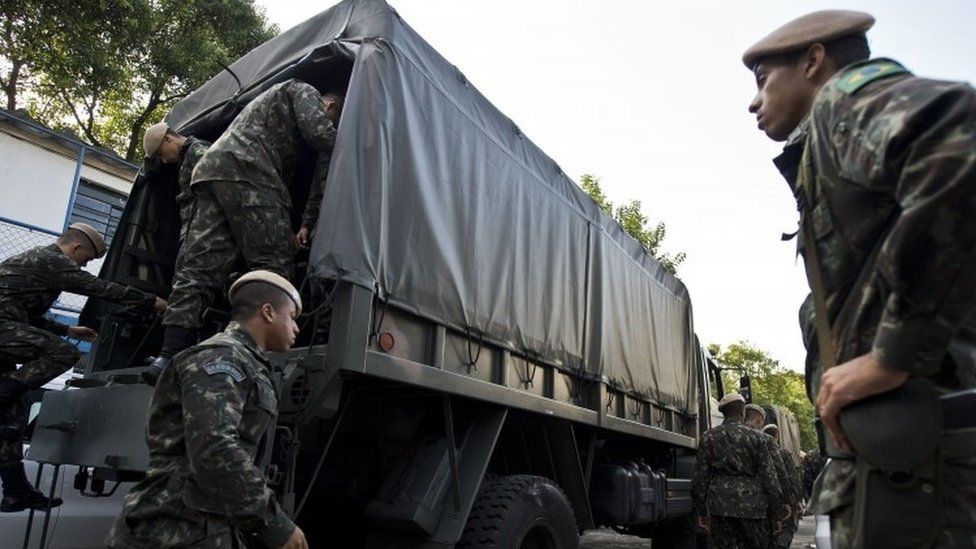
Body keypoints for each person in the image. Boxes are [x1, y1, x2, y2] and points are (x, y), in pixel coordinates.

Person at [743, 9, 976, 547]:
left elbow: (957, 142)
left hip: (921, 464)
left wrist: (892, 356)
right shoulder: (826, 146)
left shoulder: (843, 98)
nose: (753, 102)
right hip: (899, 459)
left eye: (762, 81)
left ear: (814, 60)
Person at [145, 81, 343, 385]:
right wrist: (350, 142)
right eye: (332, 117)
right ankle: (262, 358)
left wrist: (300, 223)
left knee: (199, 270)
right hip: (249, 167)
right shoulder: (303, 91)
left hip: (212, 172)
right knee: (274, 268)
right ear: (328, 107)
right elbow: (322, 136)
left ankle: (168, 354)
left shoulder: (267, 114)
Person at [106, 270, 307, 549]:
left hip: (199, 527)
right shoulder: (221, 357)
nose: (296, 328)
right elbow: (214, 447)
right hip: (170, 529)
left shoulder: (244, 361)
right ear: (268, 312)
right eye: (292, 318)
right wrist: (274, 523)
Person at [0, 223, 166, 512]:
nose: (85, 265)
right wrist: (151, 301)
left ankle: (15, 491)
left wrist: (68, 328)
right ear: (76, 248)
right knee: (62, 354)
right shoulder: (50, 259)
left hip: (6, 332)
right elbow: (100, 288)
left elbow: (26, 317)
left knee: (9, 425)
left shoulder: (39, 269)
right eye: (86, 259)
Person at [693, 393, 783, 549]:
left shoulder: (709, 437)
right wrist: (776, 514)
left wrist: (702, 511)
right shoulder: (758, 438)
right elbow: (770, 478)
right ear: (742, 412)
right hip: (752, 508)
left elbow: (701, 478)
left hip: (720, 507)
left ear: (723, 412)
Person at [142, 121, 212, 250]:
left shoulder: (197, 150)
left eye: (160, 153)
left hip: (206, 235)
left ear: (168, 139)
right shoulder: (185, 158)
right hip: (196, 235)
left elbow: (218, 188)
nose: (163, 160)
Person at [763, 423, 802, 549]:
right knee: (787, 528)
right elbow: (792, 477)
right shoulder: (784, 453)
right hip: (781, 498)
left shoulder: (758, 449)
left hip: (763, 499)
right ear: (777, 436)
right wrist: (796, 500)